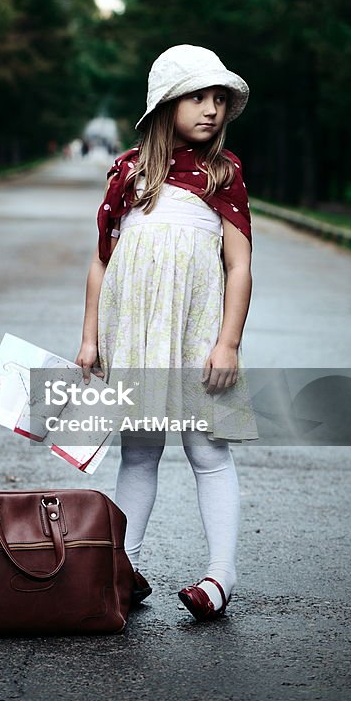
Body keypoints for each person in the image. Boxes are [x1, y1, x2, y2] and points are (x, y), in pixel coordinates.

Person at [75, 44, 259, 623]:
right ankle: (120, 571)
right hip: (138, 334)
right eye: (197, 97)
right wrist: (91, 336)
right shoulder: (129, 173)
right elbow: (102, 261)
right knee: (139, 453)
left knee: (208, 450)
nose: (211, 109)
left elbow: (239, 266)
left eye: (219, 99)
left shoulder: (221, 175)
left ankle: (219, 576)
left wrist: (227, 342)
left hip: (197, 335)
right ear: (165, 105)